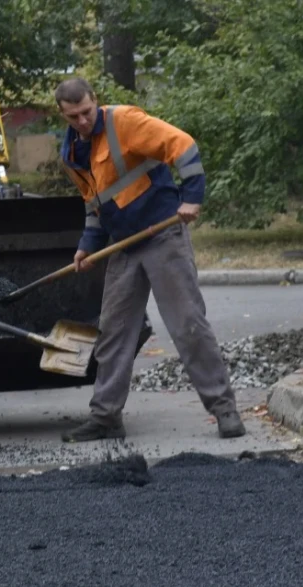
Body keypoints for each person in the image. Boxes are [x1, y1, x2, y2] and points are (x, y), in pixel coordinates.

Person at [54, 76, 245, 442]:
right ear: (62, 115)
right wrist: (87, 245)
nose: (81, 121)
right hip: (125, 245)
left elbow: (183, 146)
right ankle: (106, 417)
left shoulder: (125, 122)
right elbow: (94, 204)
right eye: (73, 116)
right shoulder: (71, 154)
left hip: (163, 234)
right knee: (113, 332)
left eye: (86, 112)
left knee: (188, 324)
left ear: (96, 101)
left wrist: (192, 197)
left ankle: (224, 410)